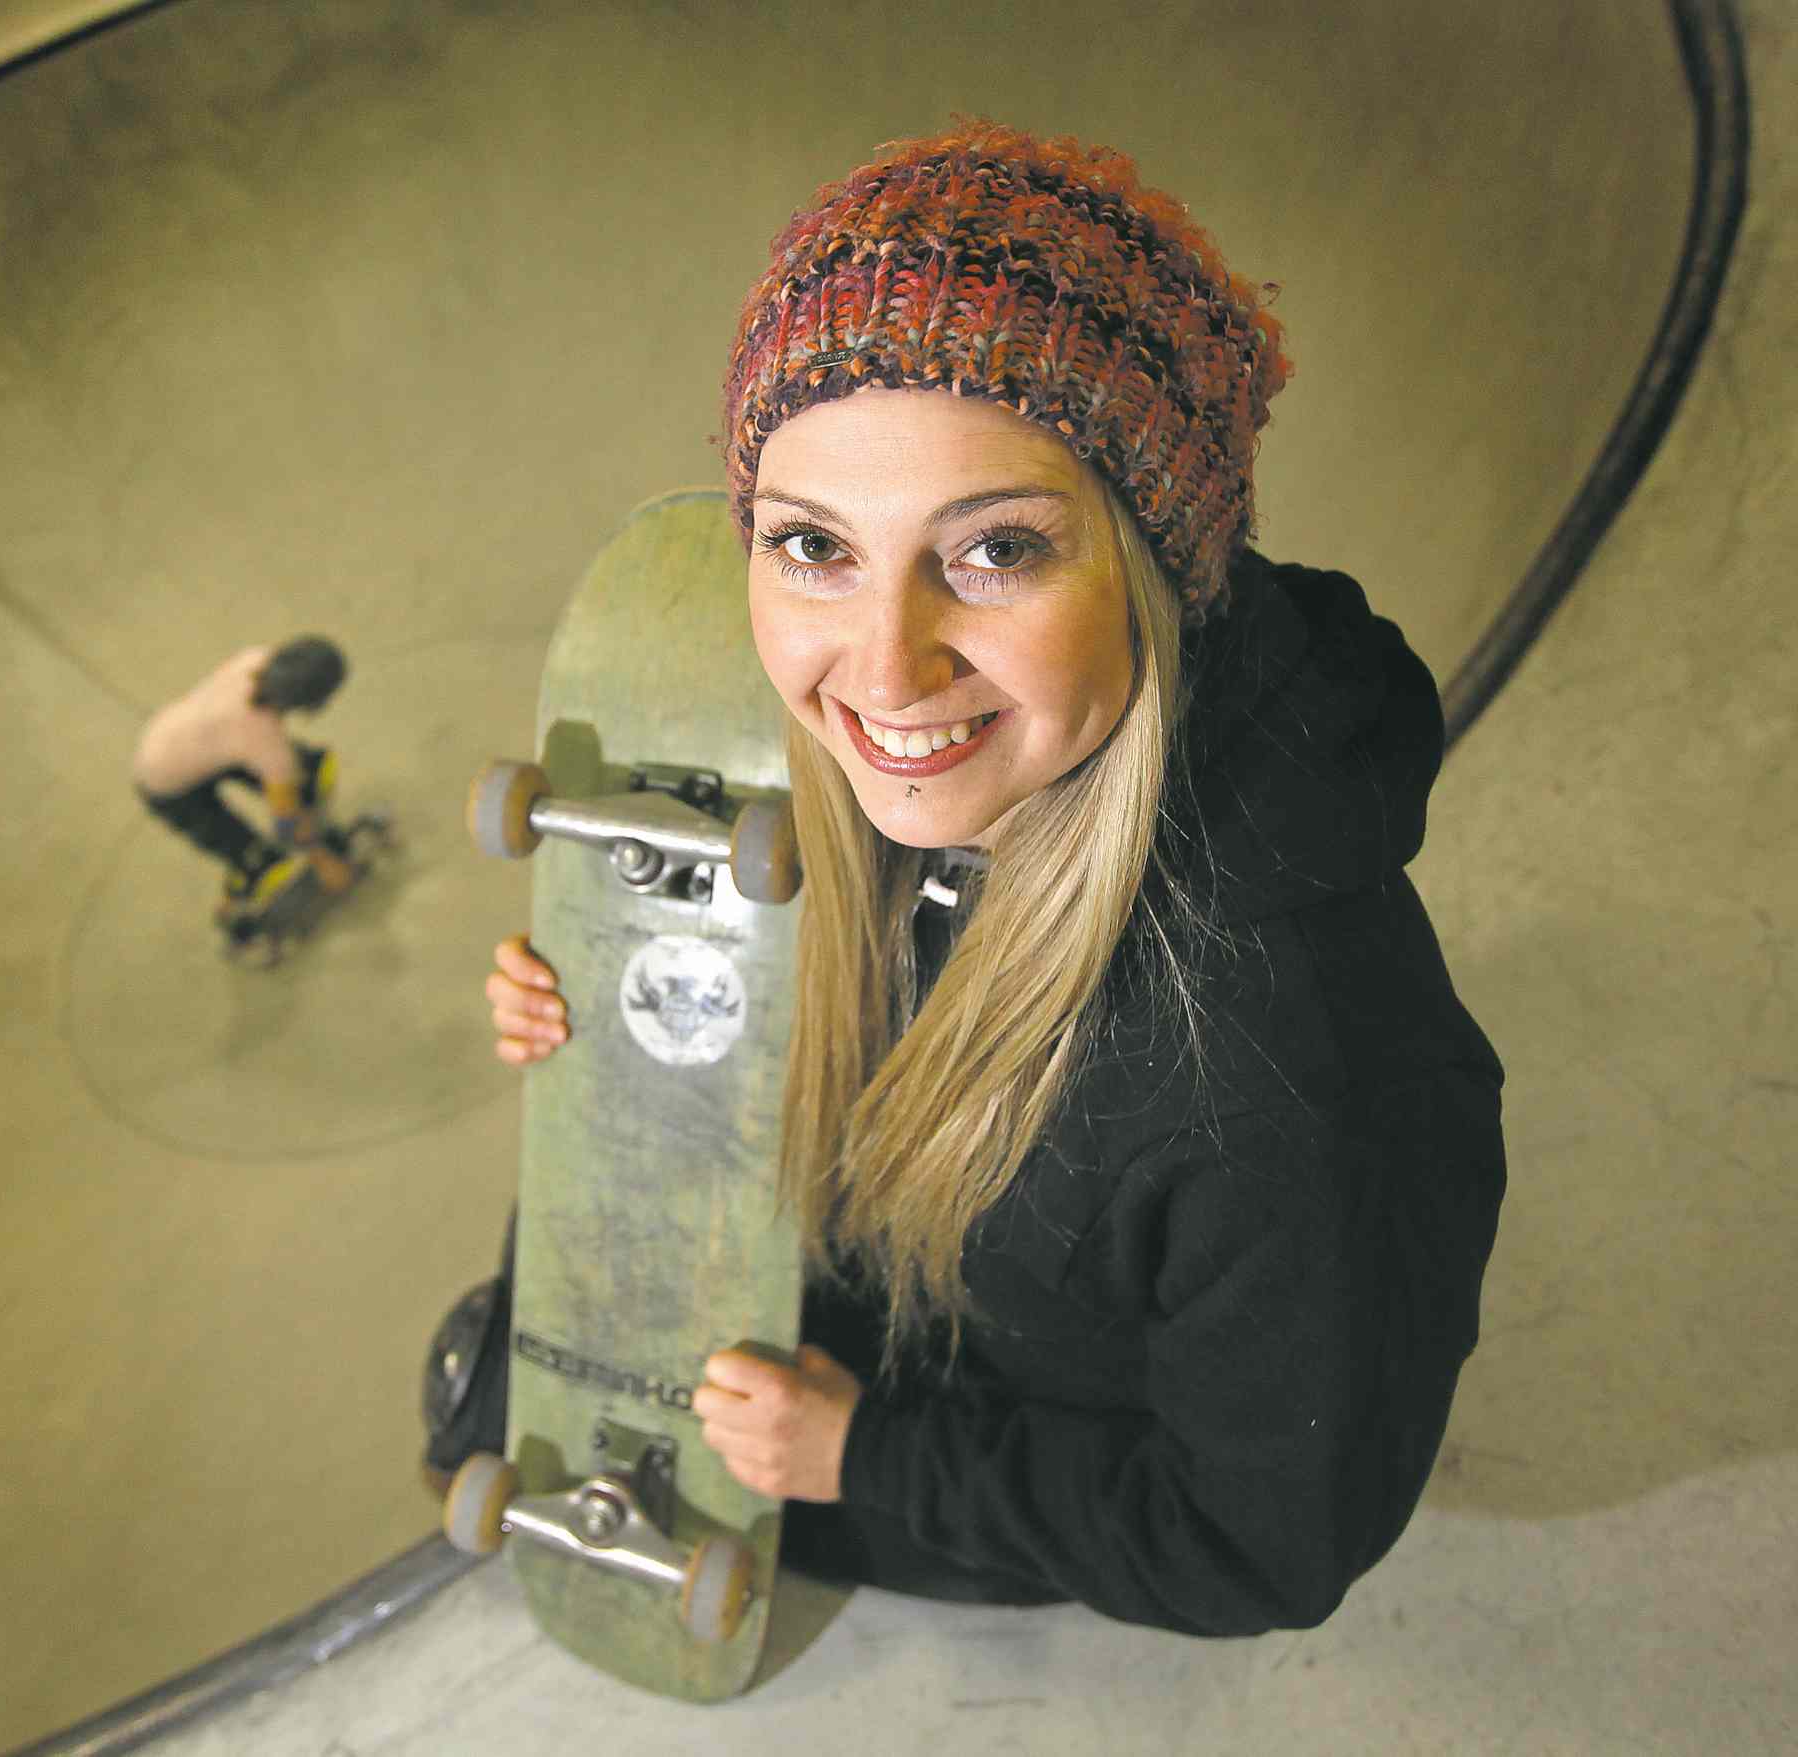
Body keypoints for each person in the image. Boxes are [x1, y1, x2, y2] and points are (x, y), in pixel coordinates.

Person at [438, 121, 1506, 1636]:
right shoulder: (897, 785)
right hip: (858, 1290)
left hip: (976, 1449)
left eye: (996, 549)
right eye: (812, 545)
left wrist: (868, 1455)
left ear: (1154, 567)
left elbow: (1255, 1544)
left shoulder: (1289, 1089)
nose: (885, 673)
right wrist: (639, 1013)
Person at [133, 635, 357, 921]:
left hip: (181, 741)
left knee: (307, 774)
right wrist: (322, 859)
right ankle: (234, 907)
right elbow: (286, 823)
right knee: (257, 863)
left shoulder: (254, 658)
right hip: (168, 788)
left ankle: (305, 833)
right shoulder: (264, 742)